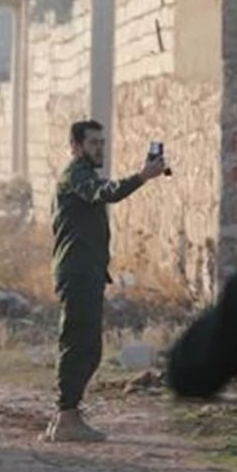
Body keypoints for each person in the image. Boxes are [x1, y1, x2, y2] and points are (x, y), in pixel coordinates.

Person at [43, 119, 166, 443]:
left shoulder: (82, 175)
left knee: (88, 346)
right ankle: (66, 415)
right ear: (76, 146)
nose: (100, 148)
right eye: (93, 142)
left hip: (87, 271)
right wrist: (142, 176)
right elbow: (104, 193)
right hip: (77, 271)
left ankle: (66, 415)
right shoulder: (76, 176)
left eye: (102, 142)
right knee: (78, 344)